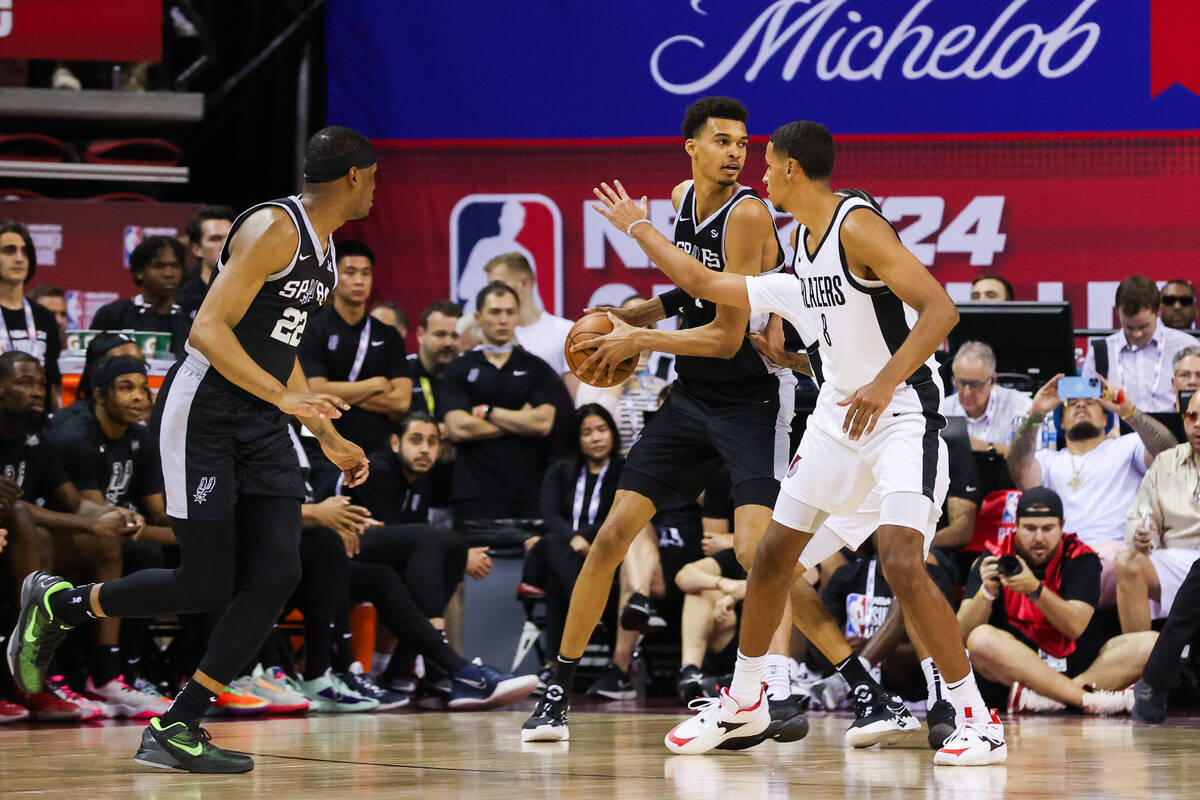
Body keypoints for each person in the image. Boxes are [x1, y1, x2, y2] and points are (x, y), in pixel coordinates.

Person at [587, 119, 1005, 765]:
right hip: (838, 419)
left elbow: (941, 311)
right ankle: (746, 701)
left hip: (901, 415)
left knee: (900, 559)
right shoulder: (803, 255)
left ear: (790, 169)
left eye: (765, 163)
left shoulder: (855, 224)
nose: (757, 174)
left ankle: (974, 716)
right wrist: (799, 360)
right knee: (772, 558)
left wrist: (881, 383)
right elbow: (705, 285)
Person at [8, 125, 379, 774]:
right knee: (203, 582)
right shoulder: (275, 228)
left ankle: (177, 725)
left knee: (278, 572)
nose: (375, 190)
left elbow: (281, 345)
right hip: (204, 415)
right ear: (354, 176)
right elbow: (206, 330)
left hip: (262, 420)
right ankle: (61, 603)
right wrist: (284, 399)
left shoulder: (324, 247)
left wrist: (325, 431)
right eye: (373, 178)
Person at [521, 97, 803, 746]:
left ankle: (776, 687)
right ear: (692, 147)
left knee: (757, 551)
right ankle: (558, 689)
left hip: (755, 399)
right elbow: (695, 288)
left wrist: (640, 332)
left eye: (743, 143)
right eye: (723, 141)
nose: (736, 153)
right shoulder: (682, 198)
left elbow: (726, 336)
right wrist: (644, 312)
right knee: (612, 535)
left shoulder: (749, 213)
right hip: (691, 397)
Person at [47, 355, 179, 715]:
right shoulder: (77, 438)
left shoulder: (140, 436)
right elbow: (102, 521)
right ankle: (111, 674)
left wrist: (199, 527)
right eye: (126, 388)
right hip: (74, 537)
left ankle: (179, 671)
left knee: (207, 554)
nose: (139, 396)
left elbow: (157, 510)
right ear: (100, 395)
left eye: (143, 389)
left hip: (122, 534)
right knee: (144, 555)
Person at [958, 488, 1156, 716]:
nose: (1039, 538)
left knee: (1152, 644)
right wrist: (986, 592)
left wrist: (1035, 589)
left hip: (1079, 661)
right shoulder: (994, 558)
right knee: (981, 639)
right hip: (1020, 664)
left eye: (1048, 528)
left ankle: (1050, 699)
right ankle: (1085, 699)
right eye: (1030, 528)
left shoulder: (1083, 558)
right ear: (1016, 526)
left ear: (1062, 526)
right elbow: (961, 634)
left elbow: (1074, 626)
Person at [1007, 374, 1177, 604]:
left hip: (1117, 554)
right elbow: (1018, 470)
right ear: (1061, 421)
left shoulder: (1128, 447)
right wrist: (1035, 415)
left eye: (1091, 401)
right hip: (1062, 555)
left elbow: (1169, 454)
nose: (1081, 405)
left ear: (1106, 418)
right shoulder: (1047, 460)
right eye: (1072, 402)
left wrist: (1130, 412)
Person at [442, 282, 558, 538]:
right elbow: (458, 428)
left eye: (510, 312)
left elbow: (542, 423)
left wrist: (487, 411)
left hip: (528, 495)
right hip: (473, 497)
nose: (503, 320)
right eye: (495, 312)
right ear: (477, 317)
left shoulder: (537, 368)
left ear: (518, 316)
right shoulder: (458, 369)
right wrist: (521, 420)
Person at [298, 239, 411, 466]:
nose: (359, 280)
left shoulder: (389, 335)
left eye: (365, 273)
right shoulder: (312, 329)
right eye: (350, 272)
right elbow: (314, 391)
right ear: (334, 277)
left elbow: (401, 402)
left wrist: (337, 392)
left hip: (378, 450)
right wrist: (375, 384)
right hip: (324, 450)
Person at [1114, 391, 1200, 632]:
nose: (1197, 424)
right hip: (1176, 557)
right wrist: (1142, 535)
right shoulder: (1165, 462)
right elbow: (1140, 516)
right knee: (1127, 563)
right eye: (1192, 416)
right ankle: (1140, 653)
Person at [1082, 275, 1196, 412]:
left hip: (1173, 425)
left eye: (1144, 327)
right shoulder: (1100, 353)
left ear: (1158, 311)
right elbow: (1087, 404)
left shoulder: (1187, 346)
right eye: (1129, 327)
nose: (1137, 334)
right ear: (1118, 312)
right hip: (1117, 425)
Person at [485, 252, 577, 396]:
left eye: (499, 286)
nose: (492, 293)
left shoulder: (564, 331)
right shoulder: (489, 335)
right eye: (491, 287)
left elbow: (573, 399)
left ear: (524, 283)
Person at [90, 236, 191, 360]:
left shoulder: (191, 318)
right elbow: (93, 361)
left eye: (175, 266)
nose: (168, 274)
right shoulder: (113, 314)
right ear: (139, 272)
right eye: (159, 266)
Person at [0, 220, 62, 408]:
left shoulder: (44, 317)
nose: (19, 258)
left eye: (25, 251)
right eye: (9, 251)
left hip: (37, 418)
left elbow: (52, 380)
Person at [940, 341, 1038, 459]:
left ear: (992, 380)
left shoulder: (1019, 407)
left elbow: (1033, 457)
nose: (967, 393)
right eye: (961, 383)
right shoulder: (943, 410)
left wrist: (985, 447)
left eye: (975, 384)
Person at [177, 205, 235, 318]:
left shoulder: (254, 293)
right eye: (216, 239)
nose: (226, 245)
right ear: (197, 250)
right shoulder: (182, 299)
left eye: (230, 238)